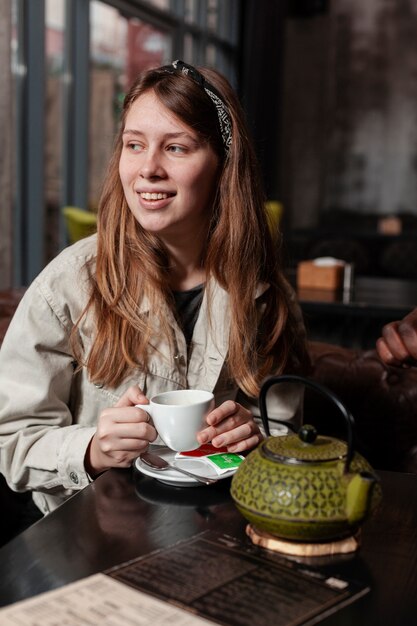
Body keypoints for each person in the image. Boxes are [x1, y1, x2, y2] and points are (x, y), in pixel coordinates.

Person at [0, 60, 310, 517]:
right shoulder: (66, 284)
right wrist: (91, 449)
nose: (148, 169)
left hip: (212, 533)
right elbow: (11, 439)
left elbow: (286, 429)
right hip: (90, 536)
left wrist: (256, 436)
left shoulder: (263, 293)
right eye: (134, 145)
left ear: (222, 164)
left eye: (177, 148)